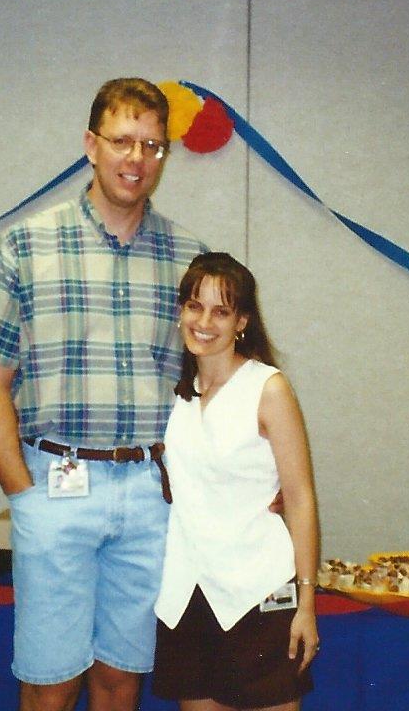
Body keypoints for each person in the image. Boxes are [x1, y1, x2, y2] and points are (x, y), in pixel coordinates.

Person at [0, 77, 208, 711]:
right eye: (123, 141)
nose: (137, 159)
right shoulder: (26, 246)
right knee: (50, 683)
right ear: (91, 145)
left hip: (151, 496)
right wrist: (23, 494)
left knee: (121, 679)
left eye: (152, 145)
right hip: (54, 483)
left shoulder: (191, 260)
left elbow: (211, 390)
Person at [152, 252, 320, 711]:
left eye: (220, 311)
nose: (204, 321)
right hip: (188, 593)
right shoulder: (175, 391)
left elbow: (301, 499)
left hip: (257, 592)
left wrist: (306, 604)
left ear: (242, 320)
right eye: (194, 305)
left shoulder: (268, 388)